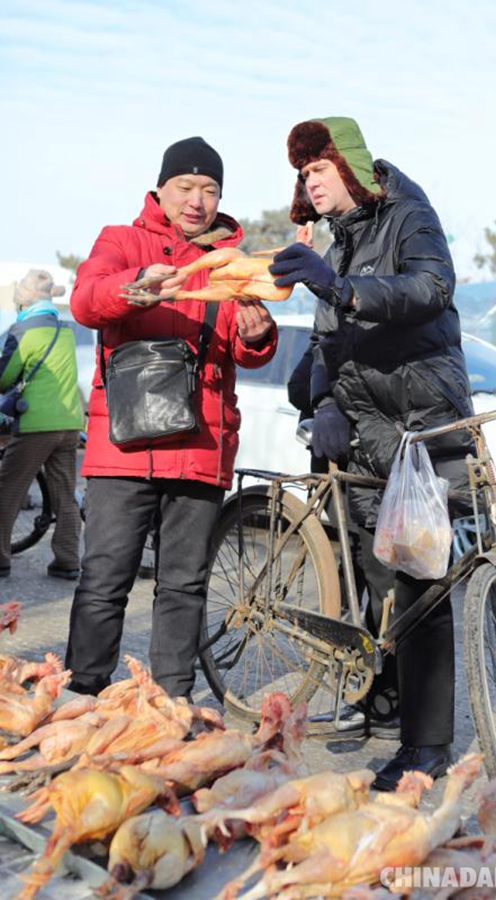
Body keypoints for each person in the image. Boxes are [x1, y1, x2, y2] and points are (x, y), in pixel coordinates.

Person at [269, 117, 474, 788]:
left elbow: (430, 289)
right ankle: (381, 701)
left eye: (319, 169)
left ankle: (426, 747)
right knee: (379, 581)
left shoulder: (409, 212)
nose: (309, 182)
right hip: (367, 434)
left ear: (349, 166)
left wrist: (341, 287)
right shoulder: (341, 241)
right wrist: (323, 402)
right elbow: (327, 352)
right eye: (303, 174)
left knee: (421, 585)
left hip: (423, 423)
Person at [65, 136, 277, 700]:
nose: (197, 200)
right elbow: (86, 301)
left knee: (184, 585)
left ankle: (172, 703)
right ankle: (83, 695)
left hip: (202, 442)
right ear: (161, 189)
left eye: (210, 190)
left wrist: (257, 336)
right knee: (105, 577)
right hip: (123, 444)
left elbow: (242, 344)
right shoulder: (121, 240)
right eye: (185, 187)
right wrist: (135, 288)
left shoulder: (232, 261)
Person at [0, 270, 84, 579]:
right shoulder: (65, 331)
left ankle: (0, 558)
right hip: (69, 422)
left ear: (23, 301)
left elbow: (5, 378)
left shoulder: (23, 331)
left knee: (7, 488)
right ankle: (67, 561)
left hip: (36, 423)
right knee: (65, 495)